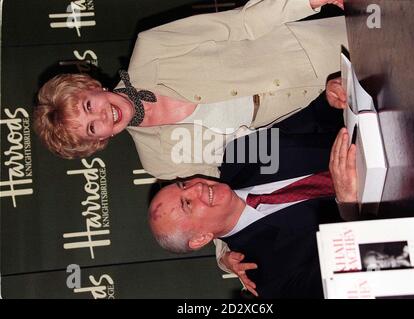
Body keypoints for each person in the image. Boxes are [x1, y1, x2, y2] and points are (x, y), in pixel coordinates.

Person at [34, 0, 347, 180]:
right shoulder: (159, 161)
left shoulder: (152, 47)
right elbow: (223, 184)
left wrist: (309, 0)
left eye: (89, 105)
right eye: (92, 127)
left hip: (319, 51)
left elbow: (242, 23)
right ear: (100, 140)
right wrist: (224, 250)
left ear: (92, 87)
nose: (102, 115)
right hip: (330, 114)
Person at [148, 87, 357, 298]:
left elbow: (313, 121)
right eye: (188, 204)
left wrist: (330, 100)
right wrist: (350, 207)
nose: (196, 187)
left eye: (183, 184)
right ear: (201, 239)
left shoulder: (238, 156)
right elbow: (347, 283)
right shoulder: (270, 276)